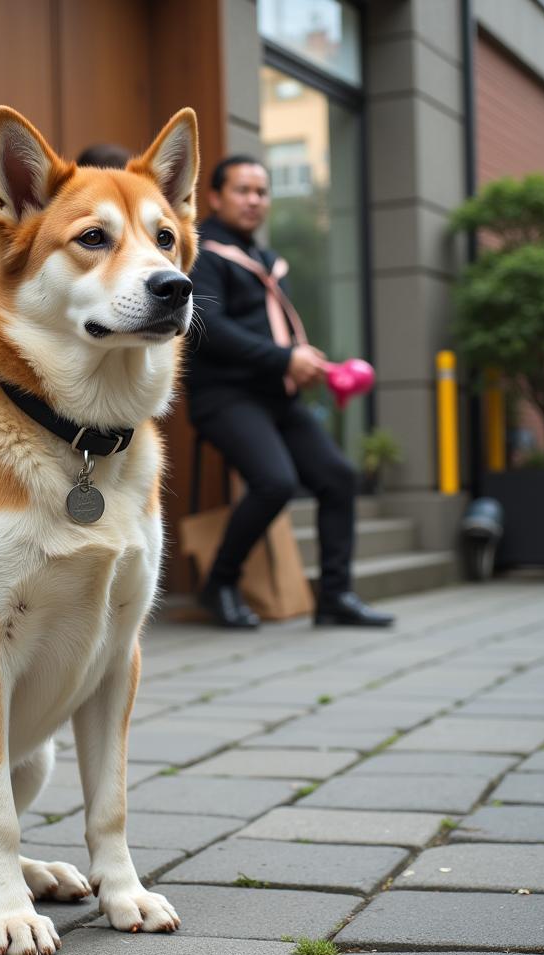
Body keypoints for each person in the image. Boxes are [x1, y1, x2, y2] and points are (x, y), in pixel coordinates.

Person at [188, 154, 393, 630]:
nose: (254, 200)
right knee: (275, 482)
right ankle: (219, 584)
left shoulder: (266, 261)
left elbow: (268, 329)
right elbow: (208, 327)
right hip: (224, 396)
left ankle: (336, 596)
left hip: (276, 397)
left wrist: (302, 358)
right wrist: (284, 358)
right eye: (242, 190)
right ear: (215, 197)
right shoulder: (202, 253)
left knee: (338, 477)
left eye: (261, 192)